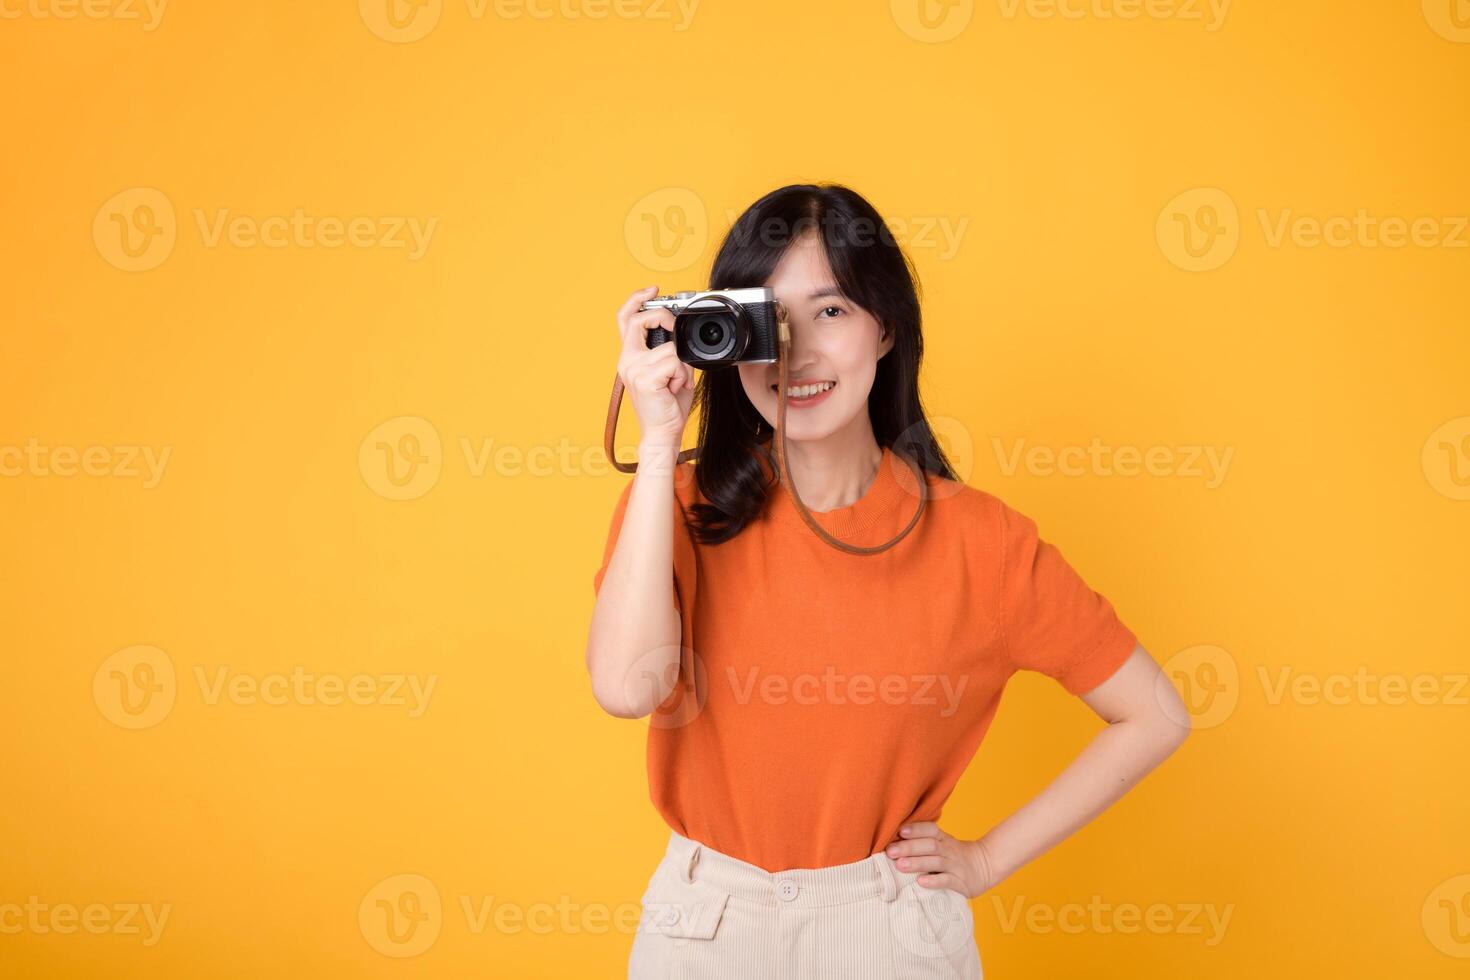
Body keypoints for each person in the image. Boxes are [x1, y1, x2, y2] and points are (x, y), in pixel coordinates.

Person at [586, 183, 1190, 979]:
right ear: (727, 341)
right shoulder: (674, 507)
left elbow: (1155, 715)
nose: (797, 353)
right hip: (704, 928)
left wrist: (985, 862)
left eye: (831, 311)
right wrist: (659, 443)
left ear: (885, 329)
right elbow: (629, 689)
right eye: (768, 319)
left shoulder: (984, 543)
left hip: (886, 933)